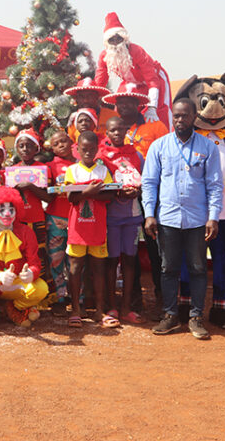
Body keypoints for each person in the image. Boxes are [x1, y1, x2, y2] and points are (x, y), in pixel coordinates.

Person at [143, 98, 222, 340]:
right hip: (167, 219)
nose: (180, 120)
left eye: (185, 115)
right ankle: (170, 315)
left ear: (194, 117)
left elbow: (215, 185)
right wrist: (149, 214)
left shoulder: (208, 147)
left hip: (197, 220)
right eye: (176, 116)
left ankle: (196, 317)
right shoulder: (159, 146)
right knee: (168, 269)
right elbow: (149, 183)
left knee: (198, 269)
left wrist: (213, 217)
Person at [102, 88, 168, 317]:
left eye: (130, 101)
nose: (125, 105)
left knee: (155, 250)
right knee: (124, 256)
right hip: (116, 208)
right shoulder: (107, 143)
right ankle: (133, 300)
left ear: (139, 103)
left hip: (150, 199)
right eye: (120, 102)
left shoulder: (156, 127)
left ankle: (162, 298)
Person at [0, 186, 48, 329]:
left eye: (11, 210)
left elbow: (35, 263)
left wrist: (31, 273)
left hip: (17, 282)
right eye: (2, 210)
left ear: (16, 211)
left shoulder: (26, 231)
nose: (7, 214)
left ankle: (14, 307)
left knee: (41, 289)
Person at [64, 131, 117, 328]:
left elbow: (110, 196)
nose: (88, 153)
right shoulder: (72, 171)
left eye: (92, 149)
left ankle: (100, 310)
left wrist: (87, 194)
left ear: (97, 149)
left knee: (98, 268)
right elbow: (71, 198)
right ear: (77, 149)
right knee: (75, 267)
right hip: (77, 228)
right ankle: (75, 309)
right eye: (84, 149)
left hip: (97, 228)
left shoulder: (103, 171)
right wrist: (89, 192)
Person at [98, 117, 145, 324]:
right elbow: (99, 184)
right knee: (111, 261)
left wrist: (138, 190)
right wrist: (118, 193)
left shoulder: (136, 155)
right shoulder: (101, 157)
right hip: (110, 217)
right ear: (106, 133)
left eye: (120, 130)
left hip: (133, 216)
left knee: (129, 260)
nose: (117, 133)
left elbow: (147, 179)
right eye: (112, 130)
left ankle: (126, 307)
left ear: (126, 130)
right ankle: (111, 306)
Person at [93, 12, 172, 126]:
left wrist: (152, 107)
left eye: (118, 39)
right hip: (131, 83)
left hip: (155, 80)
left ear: (124, 39)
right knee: (121, 111)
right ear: (107, 42)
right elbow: (99, 84)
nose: (115, 43)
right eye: (112, 40)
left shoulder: (137, 51)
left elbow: (152, 81)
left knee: (159, 113)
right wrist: (93, 105)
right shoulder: (104, 56)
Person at [11, 129, 51, 283]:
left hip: (37, 219)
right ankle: (20, 287)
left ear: (36, 148)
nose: (25, 149)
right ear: (16, 148)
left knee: (39, 252)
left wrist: (30, 186)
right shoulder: (12, 171)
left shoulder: (43, 169)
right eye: (21, 146)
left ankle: (43, 288)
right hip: (18, 221)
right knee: (19, 252)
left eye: (29, 145)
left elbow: (48, 197)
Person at [45, 131, 75, 316]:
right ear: (52, 148)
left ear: (71, 141)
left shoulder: (80, 164)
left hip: (76, 219)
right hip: (55, 219)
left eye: (64, 141)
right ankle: (60, 297)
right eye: (56, 144)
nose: (61, 145)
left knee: (76, 260)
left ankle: (78, 296)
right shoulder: (49, 166)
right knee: (56, 259)